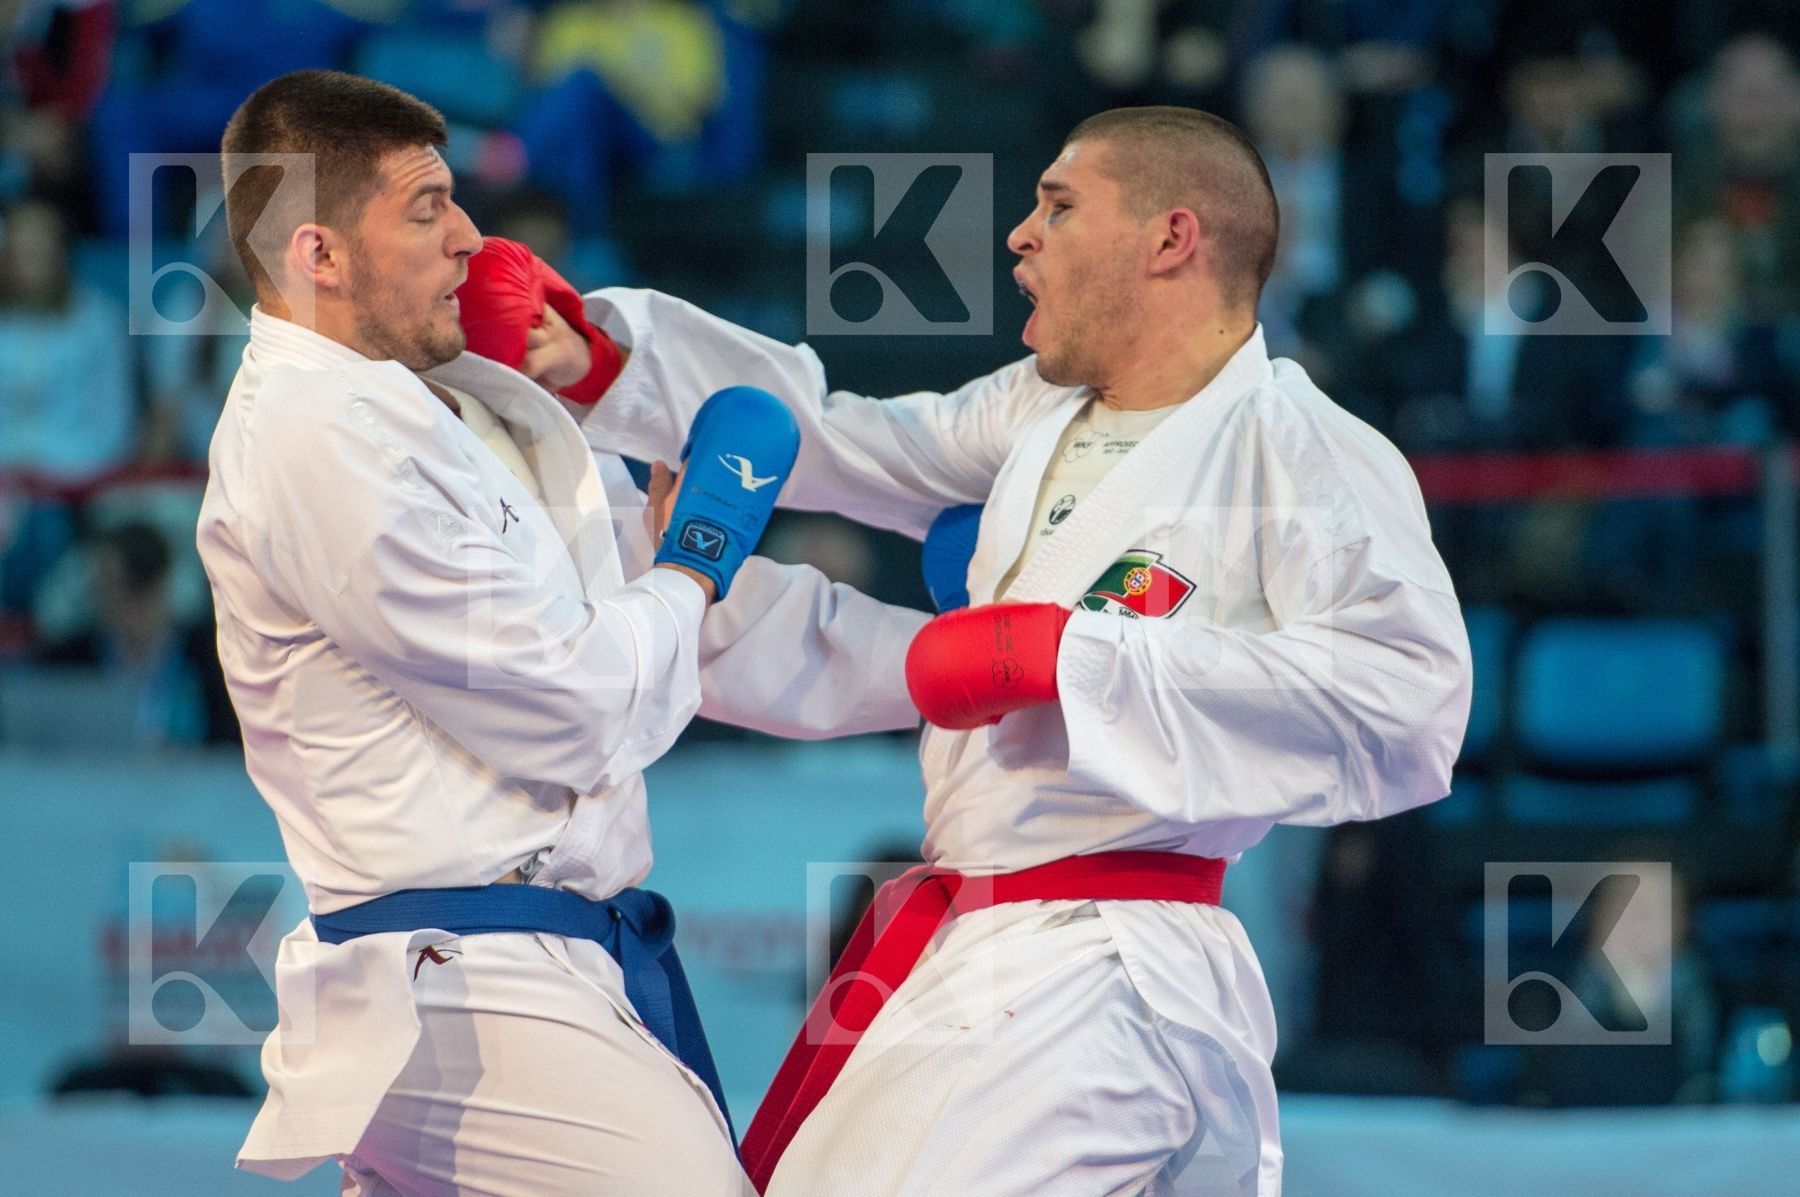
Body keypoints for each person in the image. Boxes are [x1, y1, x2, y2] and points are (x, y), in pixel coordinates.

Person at [555, 105, 1472, 1195]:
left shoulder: (1297, 445)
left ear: (1170, 239)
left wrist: (1065, 656)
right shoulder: (1039, 411)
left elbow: (1414, 699)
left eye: (1060, 206)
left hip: (1114, 949)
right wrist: (603, 361)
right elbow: (854, 440)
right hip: (981, 937)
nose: (1018, 236)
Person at [197, 70, 927, 1195]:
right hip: (461, 979)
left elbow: (696, 631)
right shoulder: (315, 436)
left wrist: (939, 662)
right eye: (426, 208)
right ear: (318, 255)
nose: (471, 240)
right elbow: (579, 706)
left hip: (529, 966)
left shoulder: (459, 413)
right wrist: (695, 559)